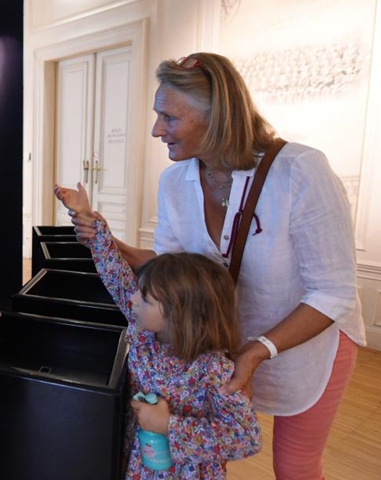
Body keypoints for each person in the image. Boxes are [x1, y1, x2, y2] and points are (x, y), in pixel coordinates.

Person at [55, 52, 366, 479]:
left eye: (170, 117)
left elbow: (334, 293)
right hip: (218, 337)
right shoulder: (175, 181)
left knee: (295, 466)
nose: (156, 130)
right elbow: (170, 268)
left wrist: (258, 350)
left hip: (305, 344)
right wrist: (104, 238)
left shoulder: (301, 171)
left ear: (217, 117)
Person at [56, 192, 261, 477]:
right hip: (139, 465)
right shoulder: (144, 333)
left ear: (180, 315)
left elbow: (245, 437)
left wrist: (169, 425)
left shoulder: (214, 369)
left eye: (145, 299)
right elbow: (116, 275)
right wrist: (89, 220)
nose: (132, 300)